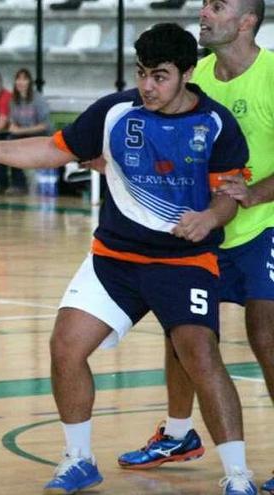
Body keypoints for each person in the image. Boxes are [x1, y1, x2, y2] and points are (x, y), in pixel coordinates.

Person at [0, 23, 257, 495]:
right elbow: (54, 149)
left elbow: (229, 195)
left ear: (187, 74)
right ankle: (78, 460)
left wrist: (210, 218)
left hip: (185, 263)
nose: (148, 86)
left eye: (160, 76)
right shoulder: (114, 112)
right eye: (142, 74)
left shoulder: (215, 124)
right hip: (113, 258)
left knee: (200, 353)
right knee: (65, 346)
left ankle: (238, 476)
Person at [118, 0, 274, 489]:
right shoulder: (194, 74)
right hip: (203, 227)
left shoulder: (271, 75)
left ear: (247, 21)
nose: (204, 12)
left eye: (218, 5)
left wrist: (253, 194)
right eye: (205, 4)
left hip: (262, 226)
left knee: (267, 341)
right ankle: (180, 434)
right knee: (183, 331)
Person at [9, 68, 51, 196]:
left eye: (24, 79)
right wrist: (13, 128)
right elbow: (13, 123)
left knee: (17, 140)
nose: (21, 82)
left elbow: (44, 126)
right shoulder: (13, 101)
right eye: (18, 79)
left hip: (40, 135)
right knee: (9, 142)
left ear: (29, 82)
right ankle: (17, 184)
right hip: (22, 134)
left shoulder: (38, 99)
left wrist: (21, 130)